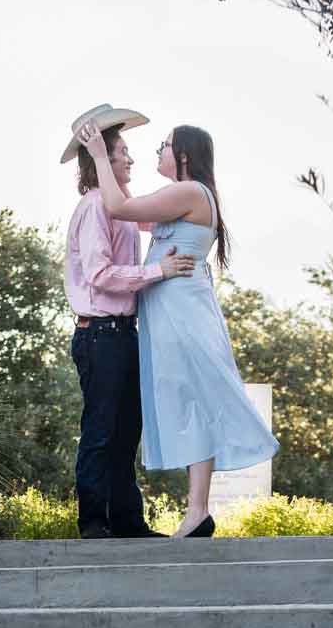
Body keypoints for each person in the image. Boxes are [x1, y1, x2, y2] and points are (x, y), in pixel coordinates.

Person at [78, 119, 277, 539]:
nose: (156, 154)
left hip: (182, 311)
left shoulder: (187, 192)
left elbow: (119, 208)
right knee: (189, 399)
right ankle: (197, 510)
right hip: (171, 311)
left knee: (195, 397)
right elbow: (131, 212)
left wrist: (101, 156)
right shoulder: (180, 197)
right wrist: (108, 168)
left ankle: (197, 509)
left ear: (184, 155)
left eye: (163, 147)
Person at [61, 103, 196, 539]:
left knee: (127, 430)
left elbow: (158, 215)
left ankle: (127, 520)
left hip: (122, 336)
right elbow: (100, 276)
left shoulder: (118, 207)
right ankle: (93, 522)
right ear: (103, 158)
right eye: (122, 152)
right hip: (99, 335)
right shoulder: (96, 206)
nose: (131, 159)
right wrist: (160, 271)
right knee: (101, 429)